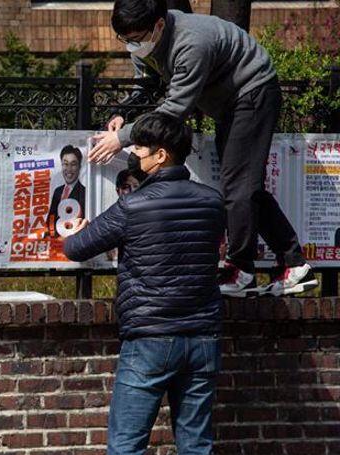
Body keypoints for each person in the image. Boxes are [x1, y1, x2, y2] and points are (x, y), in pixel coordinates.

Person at [87, 0, 317, 298]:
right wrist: (123, 113)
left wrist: (123, 139)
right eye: (125, 40)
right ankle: (294, 264)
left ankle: (241, 269)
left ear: (159, 25)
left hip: (253, 93)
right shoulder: (147, 42)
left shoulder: (192, 42)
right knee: (245, 186)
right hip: (229, 104)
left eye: (136, 39)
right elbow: (147, 85)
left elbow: (173, 110)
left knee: (238, 188)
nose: (132, 46)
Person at [64, 113, 225, 455]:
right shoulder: (213, 201)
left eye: (140, 149)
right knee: (197, 450)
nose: (135, 154)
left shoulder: (134, 206)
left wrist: (78, 230)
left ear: (162, 155)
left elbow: (77, 248)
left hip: (149, 340)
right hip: (203, 339)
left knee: (125, 450)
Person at [48, 145, 86, 237]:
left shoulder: (84, 192)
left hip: (72, 242)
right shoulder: (58, 190)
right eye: (65, 164)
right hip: (54, 244)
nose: (69, 169)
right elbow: (51, 216)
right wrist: (48, 235)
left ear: (79, 167)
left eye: (73, 164)